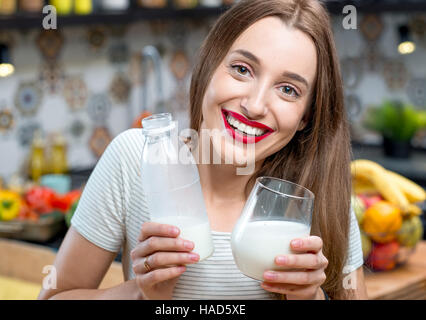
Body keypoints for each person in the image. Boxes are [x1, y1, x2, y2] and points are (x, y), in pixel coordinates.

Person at [38, 0, 368, 300]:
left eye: (287, 90)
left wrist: (308, 300)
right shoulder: (136, 158)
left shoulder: (318, 190)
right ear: (210, 66)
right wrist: (140, 294)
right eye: (242, 69)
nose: (254, 106)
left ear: (305, 116)